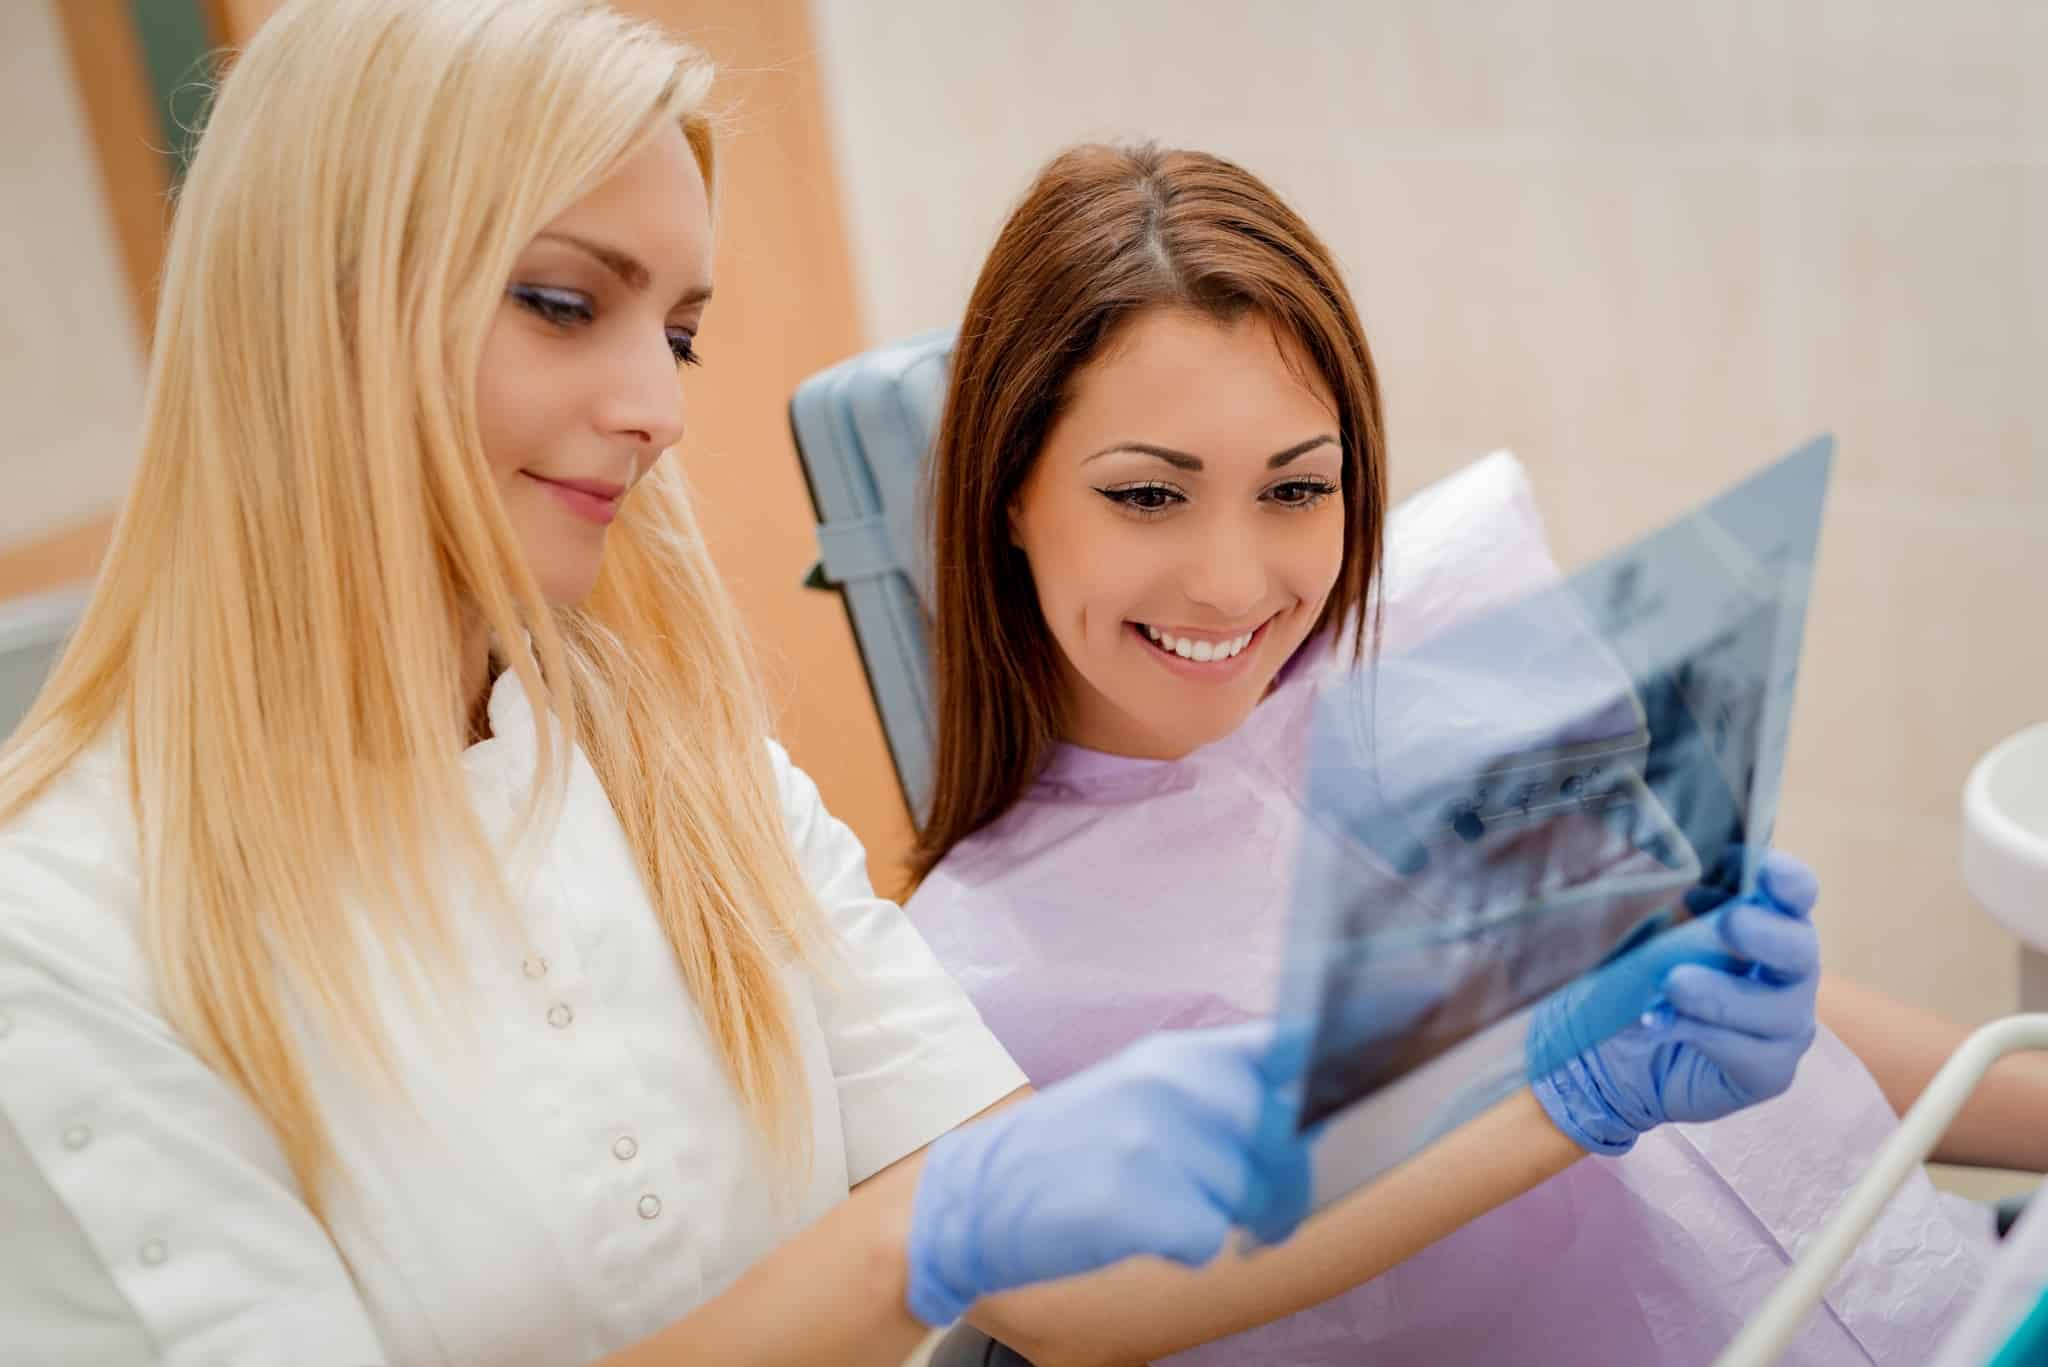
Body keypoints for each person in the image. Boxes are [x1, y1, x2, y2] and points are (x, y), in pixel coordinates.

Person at [0, 7, 1422, 1363]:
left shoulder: (678, 757)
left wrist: (1557, 1069)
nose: (661, 409)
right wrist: (895, 1247)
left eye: (677, 333)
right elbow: (970, 1222)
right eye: (563, 303)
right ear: (315, 309)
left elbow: (1052, 1259)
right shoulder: (66, 930)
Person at [907, 142, 1998, 1364]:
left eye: (1295, 488)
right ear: (1007, 487)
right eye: (1149, 496)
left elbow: (1671, 992)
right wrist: (1562, 1093)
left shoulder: (1430, 631)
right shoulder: (986, 963)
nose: (1229, 582)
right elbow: (1080, 1309)